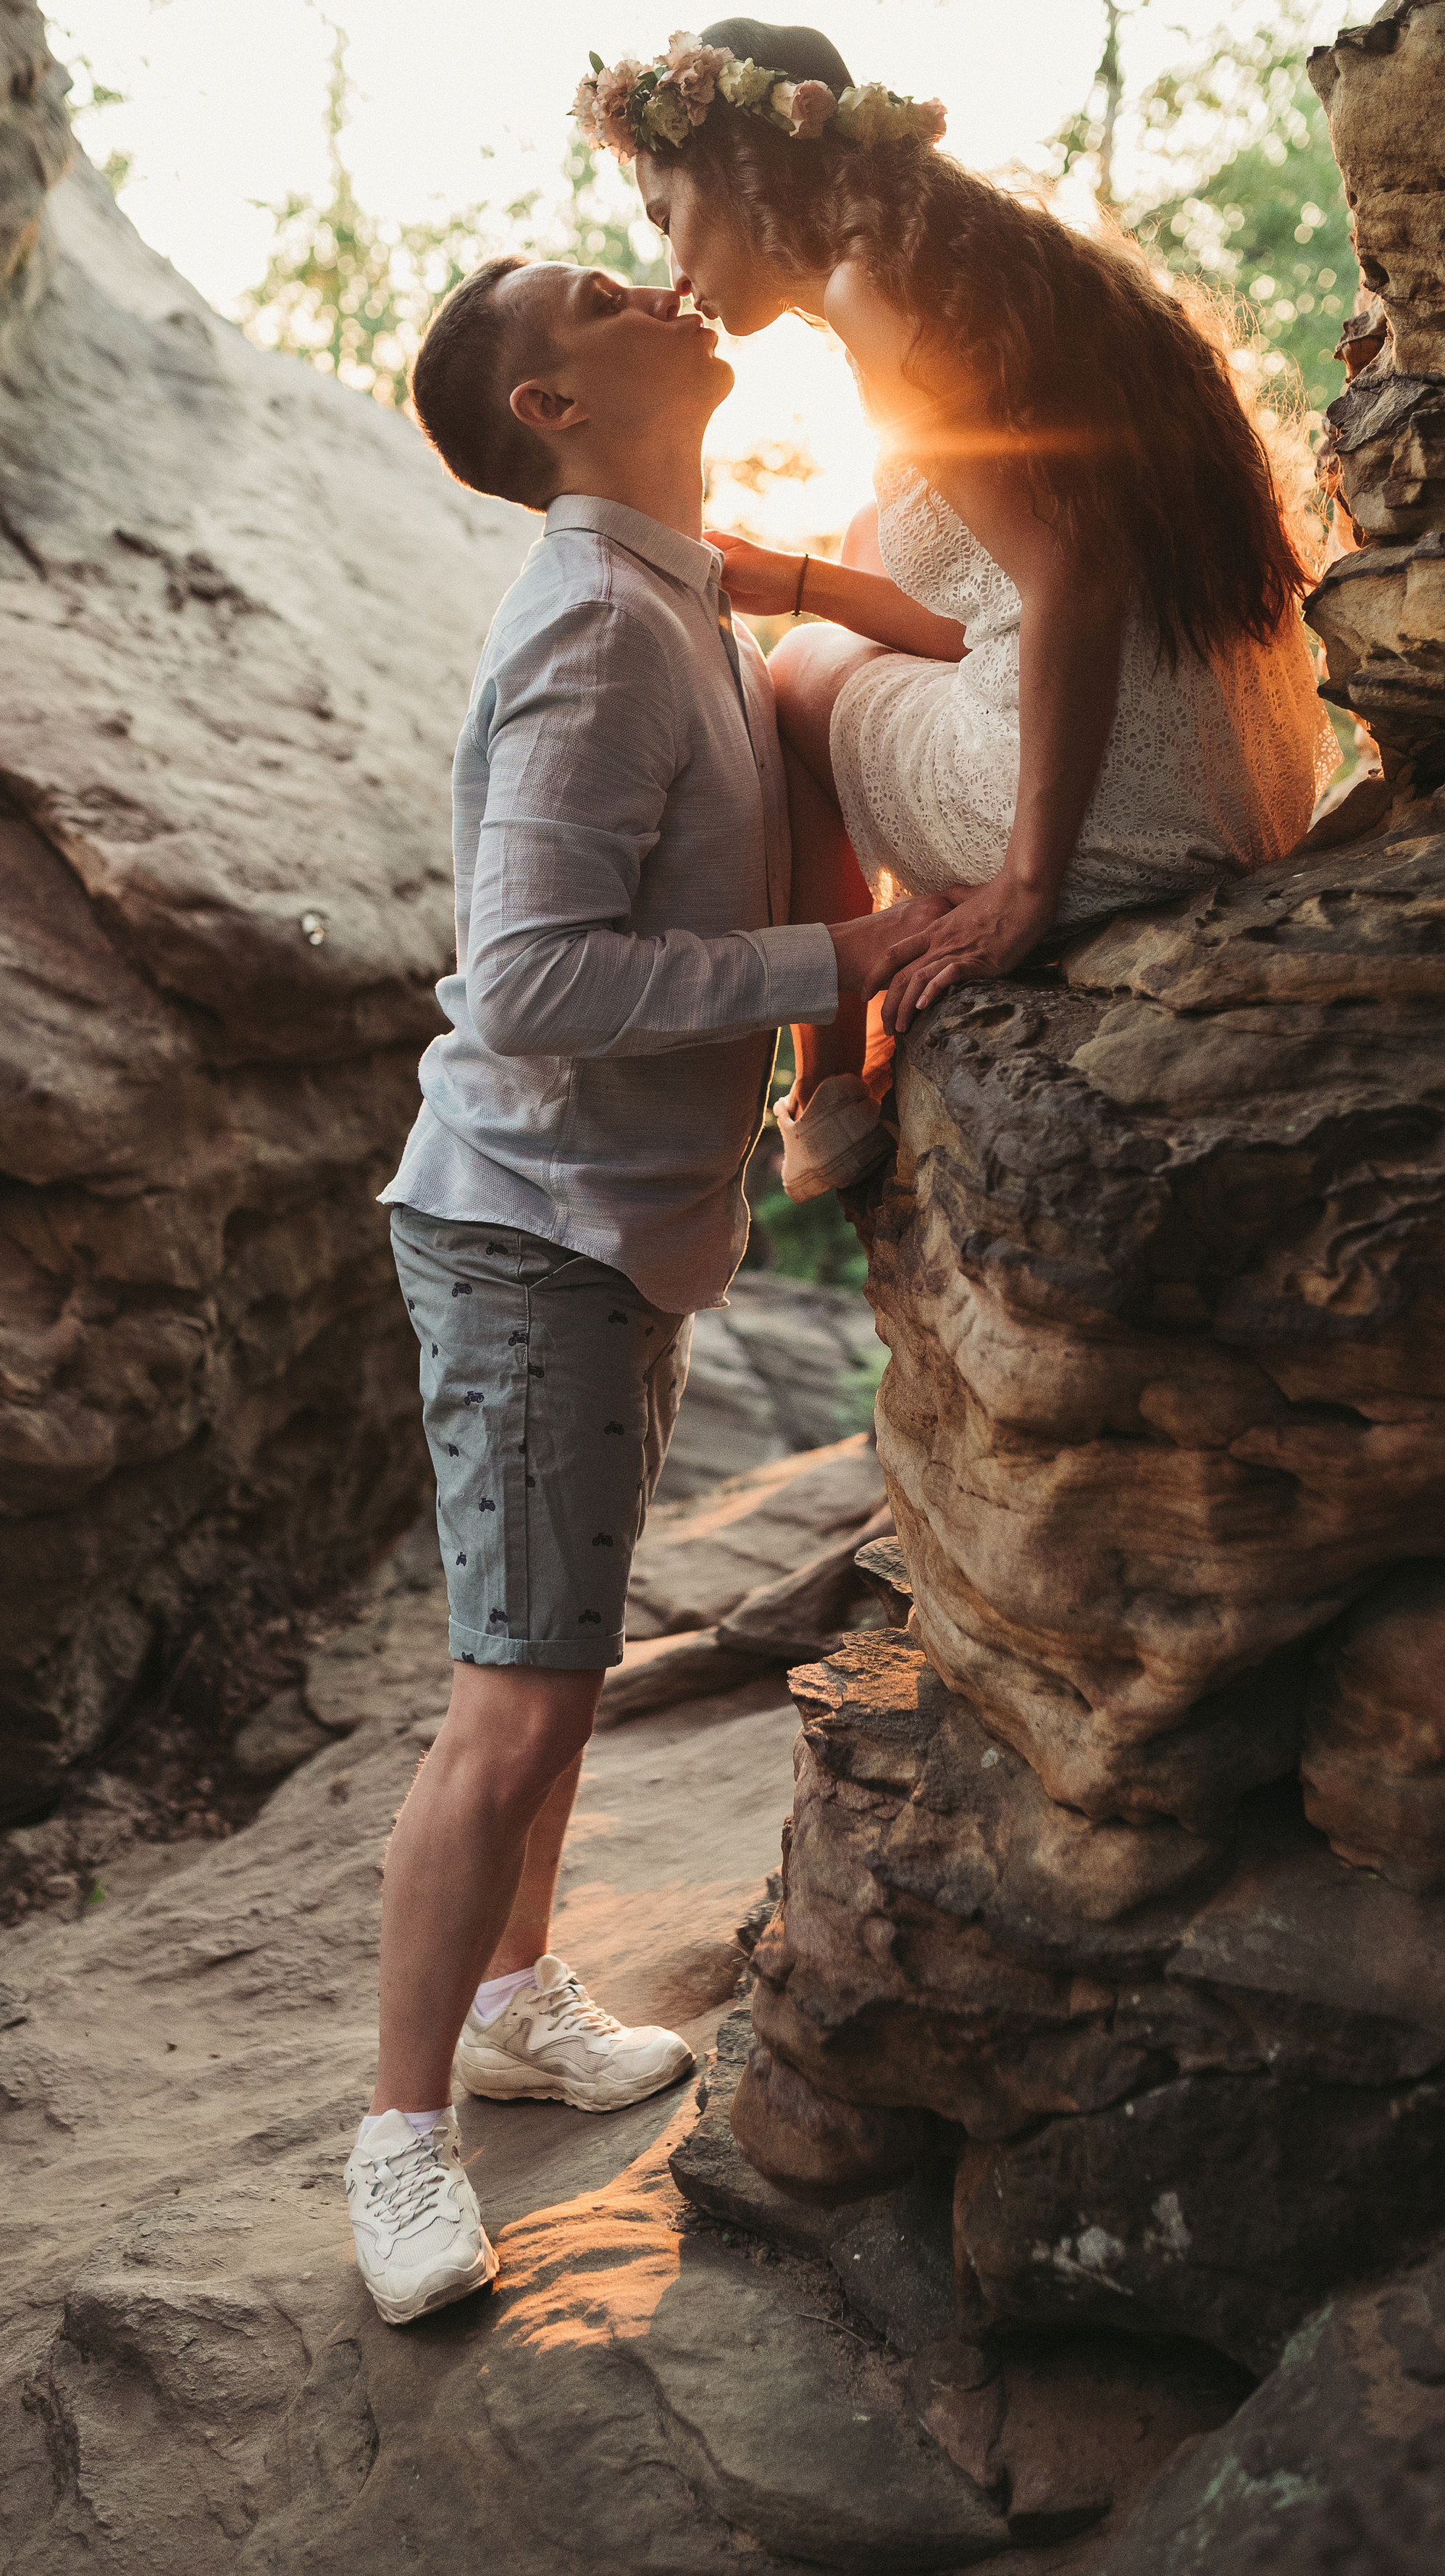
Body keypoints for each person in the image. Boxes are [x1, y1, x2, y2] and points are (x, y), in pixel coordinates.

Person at [344, 251, 952, 2325]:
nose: (663, 285)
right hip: (532, 1227)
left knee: (565, 1651)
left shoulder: (664, 580)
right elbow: (524, 980)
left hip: (616, 1223)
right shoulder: (599, 628)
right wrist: (836, 961)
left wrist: (841, 593)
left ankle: (513, 2001)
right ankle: (398, 2139)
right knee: (515, 1698)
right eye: (604, 294)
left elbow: (759, 587)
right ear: (550, 408)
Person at [574, 21, 1337, 1201]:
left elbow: (1072, 580)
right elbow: (1007, 607)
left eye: (667, 215)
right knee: (845, 576)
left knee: (792, 675)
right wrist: (802, 582)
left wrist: (1025, 892)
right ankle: (836, 1080)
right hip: (1241, 781)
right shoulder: (980, 269)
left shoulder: (872, 298)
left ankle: (825, 1092)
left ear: (738, 171)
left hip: (1125, 817)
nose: (671, 266)